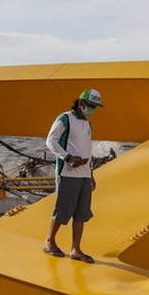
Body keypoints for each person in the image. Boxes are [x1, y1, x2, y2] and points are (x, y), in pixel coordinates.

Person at [43, 88, 104, 263]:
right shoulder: (65, 119)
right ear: (81, 103)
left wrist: (90, 174)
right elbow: (50, 141)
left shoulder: (87, 124)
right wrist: (68, 158)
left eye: (95, 106)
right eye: (91, 105)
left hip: (84, 174)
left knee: (81, 213)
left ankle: (76, 249)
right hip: (67, 172)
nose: (93, 109)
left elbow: (87, 149)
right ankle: (49, 241)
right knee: (62, 210)